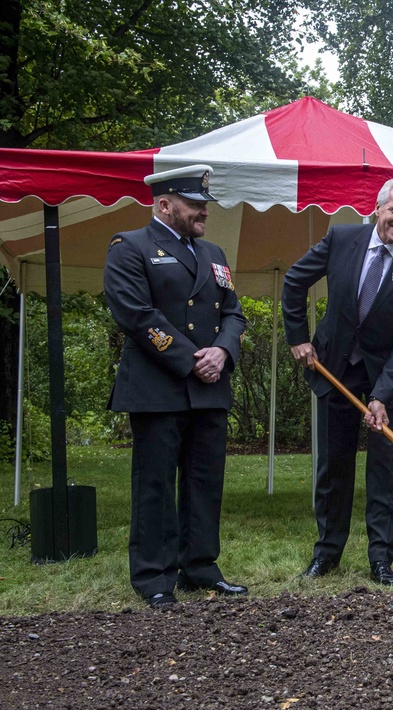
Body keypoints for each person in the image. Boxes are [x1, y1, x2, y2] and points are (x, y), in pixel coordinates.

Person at [104, 164, 247, 608]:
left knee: (205, 483)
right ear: (165, 205)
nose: (203, 210)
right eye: (194, 203)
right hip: (158, 386)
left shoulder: (215, 254)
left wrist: (222, 352)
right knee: (156, 486)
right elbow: (136, 314)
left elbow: (234, 313)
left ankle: (200, 567)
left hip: (209, 387)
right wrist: (192, 360)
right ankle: (154, 577)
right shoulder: (130, 247)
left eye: (204, 203)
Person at [282, 177, 393, 587]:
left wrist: (382, 396)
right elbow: (295, 281)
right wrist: (297, 336)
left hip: (388, 374)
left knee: (385, 468)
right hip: (335, 367)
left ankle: (381, 558)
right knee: (335, 463)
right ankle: (327, 553)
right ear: (378, 208)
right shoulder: (342, 239)